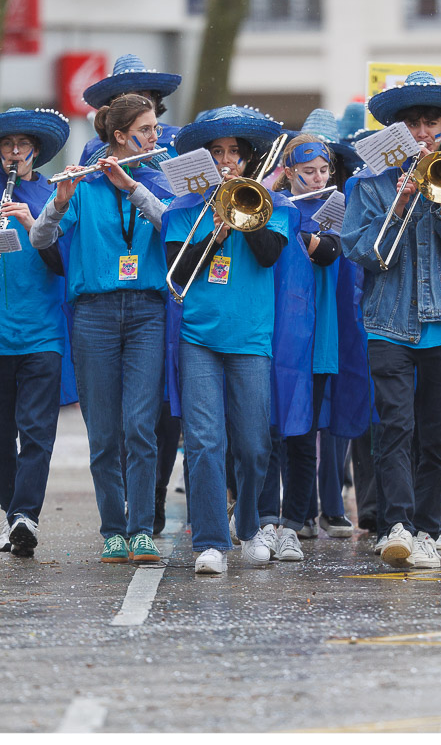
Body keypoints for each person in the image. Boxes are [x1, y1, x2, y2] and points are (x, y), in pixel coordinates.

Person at [340, 72, 441, 570]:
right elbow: (364, 252)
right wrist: (401, 202)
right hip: (388, 321)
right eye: (413, 123)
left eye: (432, 122)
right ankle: (396, 526)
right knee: (394, 426)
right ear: (396, 131)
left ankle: (429, 529)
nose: (423, 132)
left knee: (435, 433)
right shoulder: (368, 183)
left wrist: (440, 201)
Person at [31, 93, 172, 566]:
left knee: (140, 425)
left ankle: (141, 528)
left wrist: (133, 187)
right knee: (105, 430)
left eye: (155, 129)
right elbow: (41, 240)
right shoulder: (85, 186)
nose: (156, 137)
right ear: (120, 135)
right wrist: (57, 202)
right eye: (147, 130)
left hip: (148, 311)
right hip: (94, 313)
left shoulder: (155, 179)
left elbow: (172, 228)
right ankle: (113, 528)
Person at [162, 106, 302, 575]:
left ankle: (249, 527)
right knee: (203, 441)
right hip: (198, 336)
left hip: (250, 338)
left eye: (234, 155)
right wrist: (215, 234)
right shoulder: (183, 210)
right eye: (217, 153)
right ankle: (210, 541)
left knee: (252, 444)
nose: (226, 162)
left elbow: (267, 257)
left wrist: (243, 212)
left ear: (247, 161)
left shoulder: (273, 207)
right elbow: (177, 272)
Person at [0, 108, 72, 558]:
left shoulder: (52, 196)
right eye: (7, 146)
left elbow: (64, 265)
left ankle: (27, 516)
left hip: (41, 336)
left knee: (37, 433)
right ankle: (12, 515)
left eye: (23, 145)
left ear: (35, 151)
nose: (15, 152)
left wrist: (33, 227)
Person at [258, 125, 348, 547]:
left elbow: (329, 252)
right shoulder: (271, 206)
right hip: (273, 334)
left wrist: (298, 226)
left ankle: (297, 517)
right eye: (308, 171)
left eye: (323, 170)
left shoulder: (335, 208)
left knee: (301, 433)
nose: (317, 178)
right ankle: (263, 514)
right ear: (288, 172)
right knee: (267, 431)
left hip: (316, 338)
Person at [77, 54, 183, 164]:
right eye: (127, 100)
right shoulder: (94, 148)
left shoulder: (179, 138)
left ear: (154, 100)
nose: (153, 137)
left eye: (142, 96)